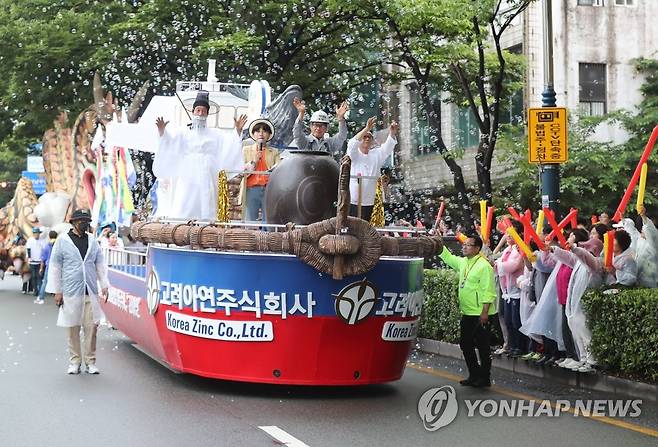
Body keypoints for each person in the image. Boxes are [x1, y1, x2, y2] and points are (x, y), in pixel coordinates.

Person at [153, 91, 247, 220]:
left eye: (203, 111)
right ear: (193, 112)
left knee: (207, 198)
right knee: (186, 196)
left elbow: (229, 143)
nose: (200, 114)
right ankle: (182, 221)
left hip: (208, 171)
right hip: (188, 172)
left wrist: (237, 131)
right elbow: (170, 142)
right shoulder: (184, 133)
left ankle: (207, 222)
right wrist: (162, 131)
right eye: (198, 110)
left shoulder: (215, 134)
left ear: (207, 114)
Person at [47, 209, 109, 375]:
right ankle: (75, 362)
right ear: (73, 222)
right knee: (72, 328)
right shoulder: (62, 241)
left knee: (91, 328)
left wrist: (104, 284)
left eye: (86, 220)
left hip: (90, 290)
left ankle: (90, 362)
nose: (84, 223)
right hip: (70, 290)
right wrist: (57, 291)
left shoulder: (92, 240)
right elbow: (55, 267)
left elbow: (100, 264)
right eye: (81, 220)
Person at [439, 234, 497, 387]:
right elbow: (449, 258)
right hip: (467, 312)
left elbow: (488, 290)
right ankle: (474, 374)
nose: (464, 247)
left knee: (483, 347)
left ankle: (485, 378)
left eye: (468, 245)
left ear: (477, 248)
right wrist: (439, 244)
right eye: (464, 244)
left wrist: (484, 311)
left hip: (480, 314)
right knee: (465, 344)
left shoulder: (484, 265)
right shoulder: (464, 262)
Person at [346, 117, 399, 221]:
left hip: (369, 201)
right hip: (353, 200)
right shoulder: (354, 154)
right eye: (364, 136)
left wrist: (392, 133)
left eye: (369, 137)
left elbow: (387, 147)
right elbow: (352, 144)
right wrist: (366, 128)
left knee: (365, 229)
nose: (366, 139)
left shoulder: (376, 154)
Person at [239, 119, 281, 223]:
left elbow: (279, 169)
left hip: (269, 190)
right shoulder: (246, 150)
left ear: (269, 134)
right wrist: (254, 161)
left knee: (269, 221)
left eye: (265, 131)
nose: (261, 134)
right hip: (251, 188)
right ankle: (249, 238)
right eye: (258, 131)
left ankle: (267, 238)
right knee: (250, 220)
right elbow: (241, 170)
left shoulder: (274, 152)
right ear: (253, 134)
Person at [36, 230, 58, 304]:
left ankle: (41, 297)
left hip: (49, 266)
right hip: (58, 266)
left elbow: (43, 258)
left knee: (45, 281)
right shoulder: (58, 245)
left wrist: (41, 268)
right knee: (59, 281)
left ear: (49, 236)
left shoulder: (47, 246)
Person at [25, 227, 45, 296]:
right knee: (33, 276)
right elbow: (28, 249)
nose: (37, 235)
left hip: (40, 262)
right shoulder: (30, 240)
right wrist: (29, 258)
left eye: (38, 233)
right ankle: (35, 290)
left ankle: (40, 290)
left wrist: (43, 259)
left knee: (39, 276)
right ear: (33, 234)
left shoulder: (42, 241)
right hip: (32, 261)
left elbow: (43, 251)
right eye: (35, 233)